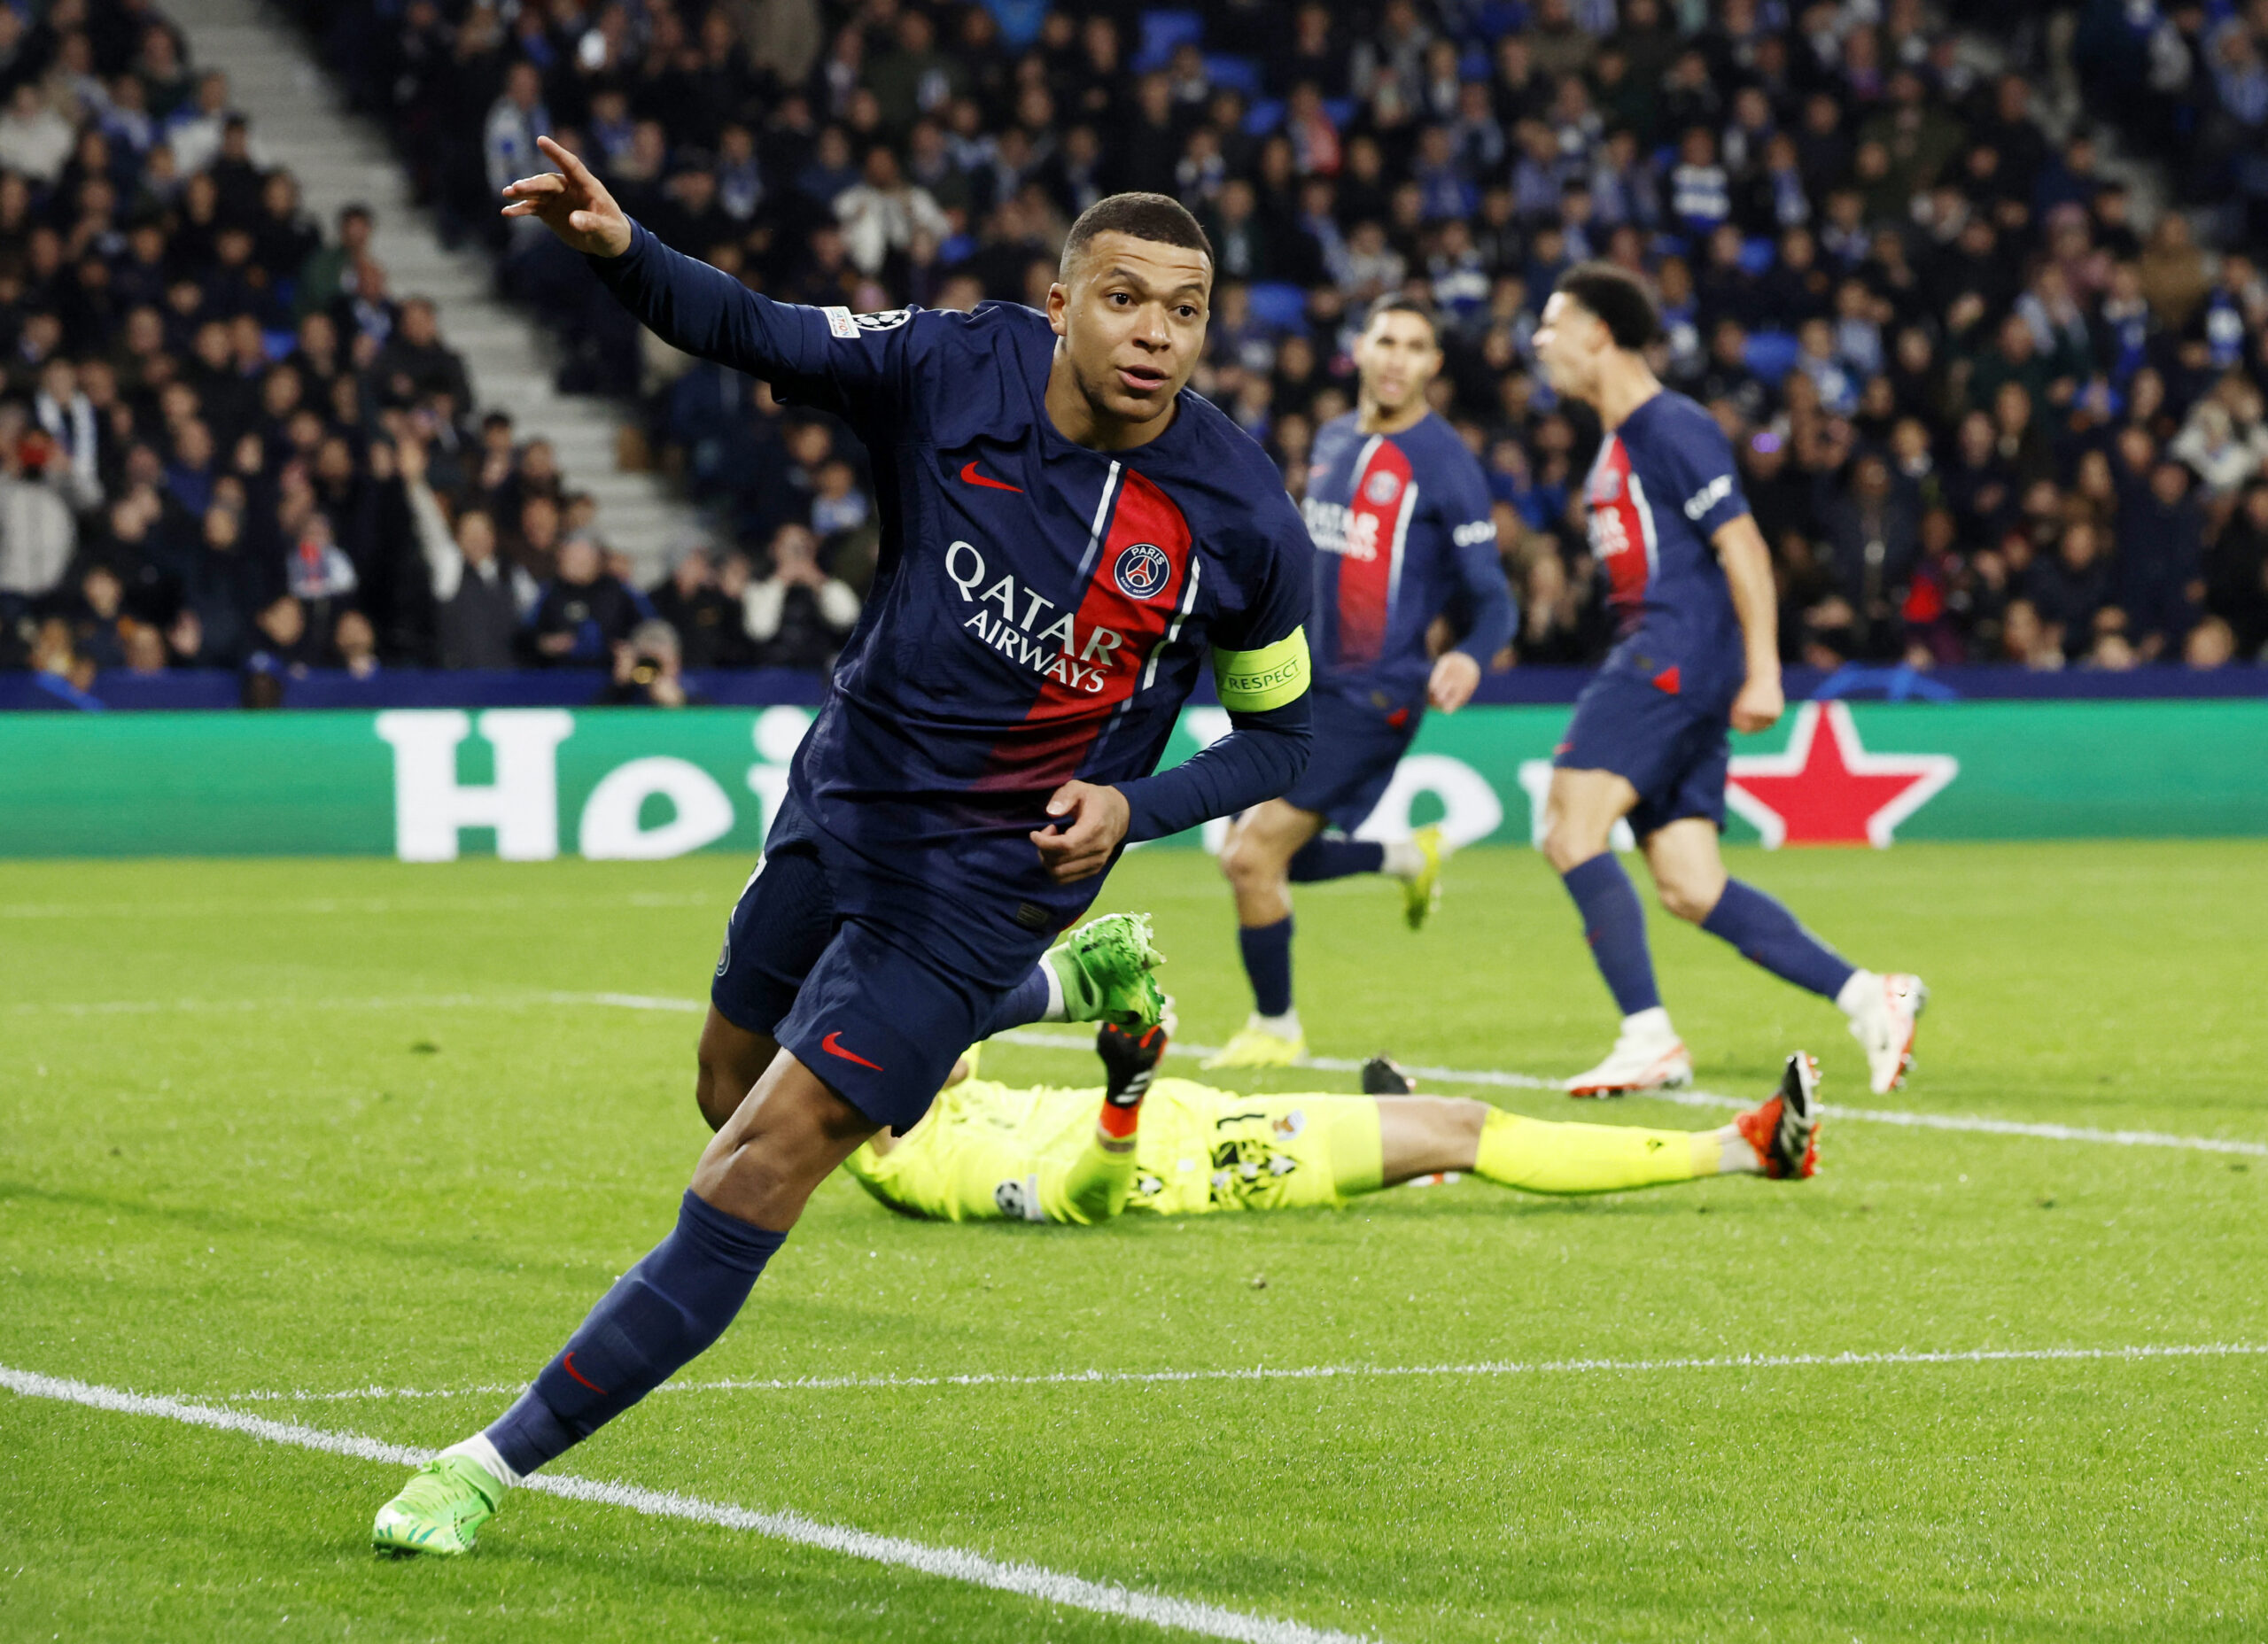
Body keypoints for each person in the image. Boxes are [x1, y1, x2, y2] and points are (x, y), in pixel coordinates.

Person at [370, 137, 1316, 1556]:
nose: (1157, 335)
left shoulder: (1241, 517)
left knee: (756, 1165)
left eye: (1185, 309)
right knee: (722, 1082)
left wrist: (1141, 805)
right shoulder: (950, 367)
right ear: (1059, 304)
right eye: (1126, 299)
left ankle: (485, 1463)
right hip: (848, 789)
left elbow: (1290, 743)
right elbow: (751, 327)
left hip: (994, 878)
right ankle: (1062, 999)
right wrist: (623, 251)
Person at [1530, 262, 1924, 1098]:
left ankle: (1649, 1038)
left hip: (1670, 653)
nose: (1538, 340)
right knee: (1689, 882)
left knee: (1570, 827)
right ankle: (1869, 998)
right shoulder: (1618, 441)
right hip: (1676, 658)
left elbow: (1743, 547)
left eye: (1552, 323)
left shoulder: (1668, 425)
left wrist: (1764, 669)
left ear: (1599, 332)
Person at [1208, 297, 1516, 1068]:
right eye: (1385, 340)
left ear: (1433, 365)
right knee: (1282, 858)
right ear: (1360, 348)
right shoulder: (1336, 438)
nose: (1396, 358)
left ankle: (1274, 1028)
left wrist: (1473, 653)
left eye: (1415, 346)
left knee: (1249, 859)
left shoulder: (1444, 462)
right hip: (1301, 684)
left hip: (1376, 695)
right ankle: (1406, 858)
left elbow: (1494, 594)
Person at [847, 1020, 1823, 1225]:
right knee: (1469, 1124)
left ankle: (1408, 1147)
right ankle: (1746, 1147)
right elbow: (1079, 1199)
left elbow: (964, 1022)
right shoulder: (926, 1166)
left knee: (1445, 1130)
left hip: (1234, 1119)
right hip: (1236, 1164)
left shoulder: (936, 1098)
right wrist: (1125, 1092)